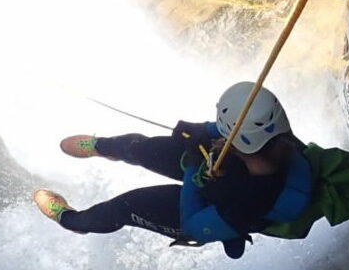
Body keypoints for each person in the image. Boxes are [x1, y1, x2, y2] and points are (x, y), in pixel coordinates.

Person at [32, 81, 331, 259]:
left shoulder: (248, 204)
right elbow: (241, 127)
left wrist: (191, 169)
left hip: (207, 206)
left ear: (237, 140)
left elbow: (192, 224)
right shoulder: (277, 140)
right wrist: (203, 130)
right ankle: (103, 147)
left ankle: (72, 220)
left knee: (124, 207)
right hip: (222, 164)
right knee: (144, 147)